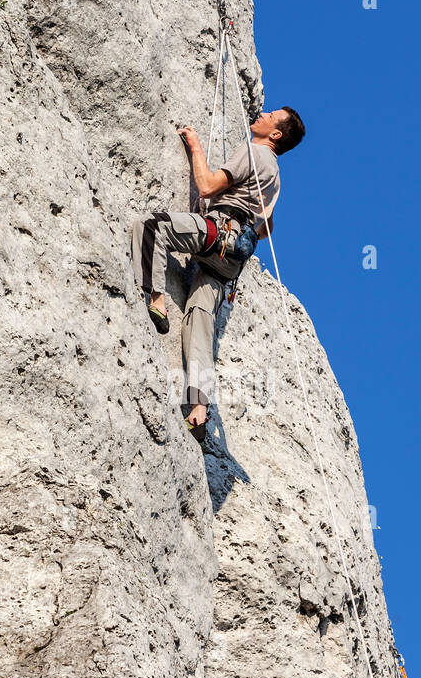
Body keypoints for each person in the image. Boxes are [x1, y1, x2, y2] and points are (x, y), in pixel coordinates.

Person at [130, 106, 305, 441]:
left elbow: (208, 186)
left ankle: (156, 299)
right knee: (199, 319)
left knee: (151, 226)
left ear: (276, 134)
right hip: (231, 260)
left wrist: (195, 146)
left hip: (217, 234)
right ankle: (199, 410)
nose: (262, 113)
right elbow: (266, 227)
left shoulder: (256, 152)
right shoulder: (275, 175)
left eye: (270, 115)